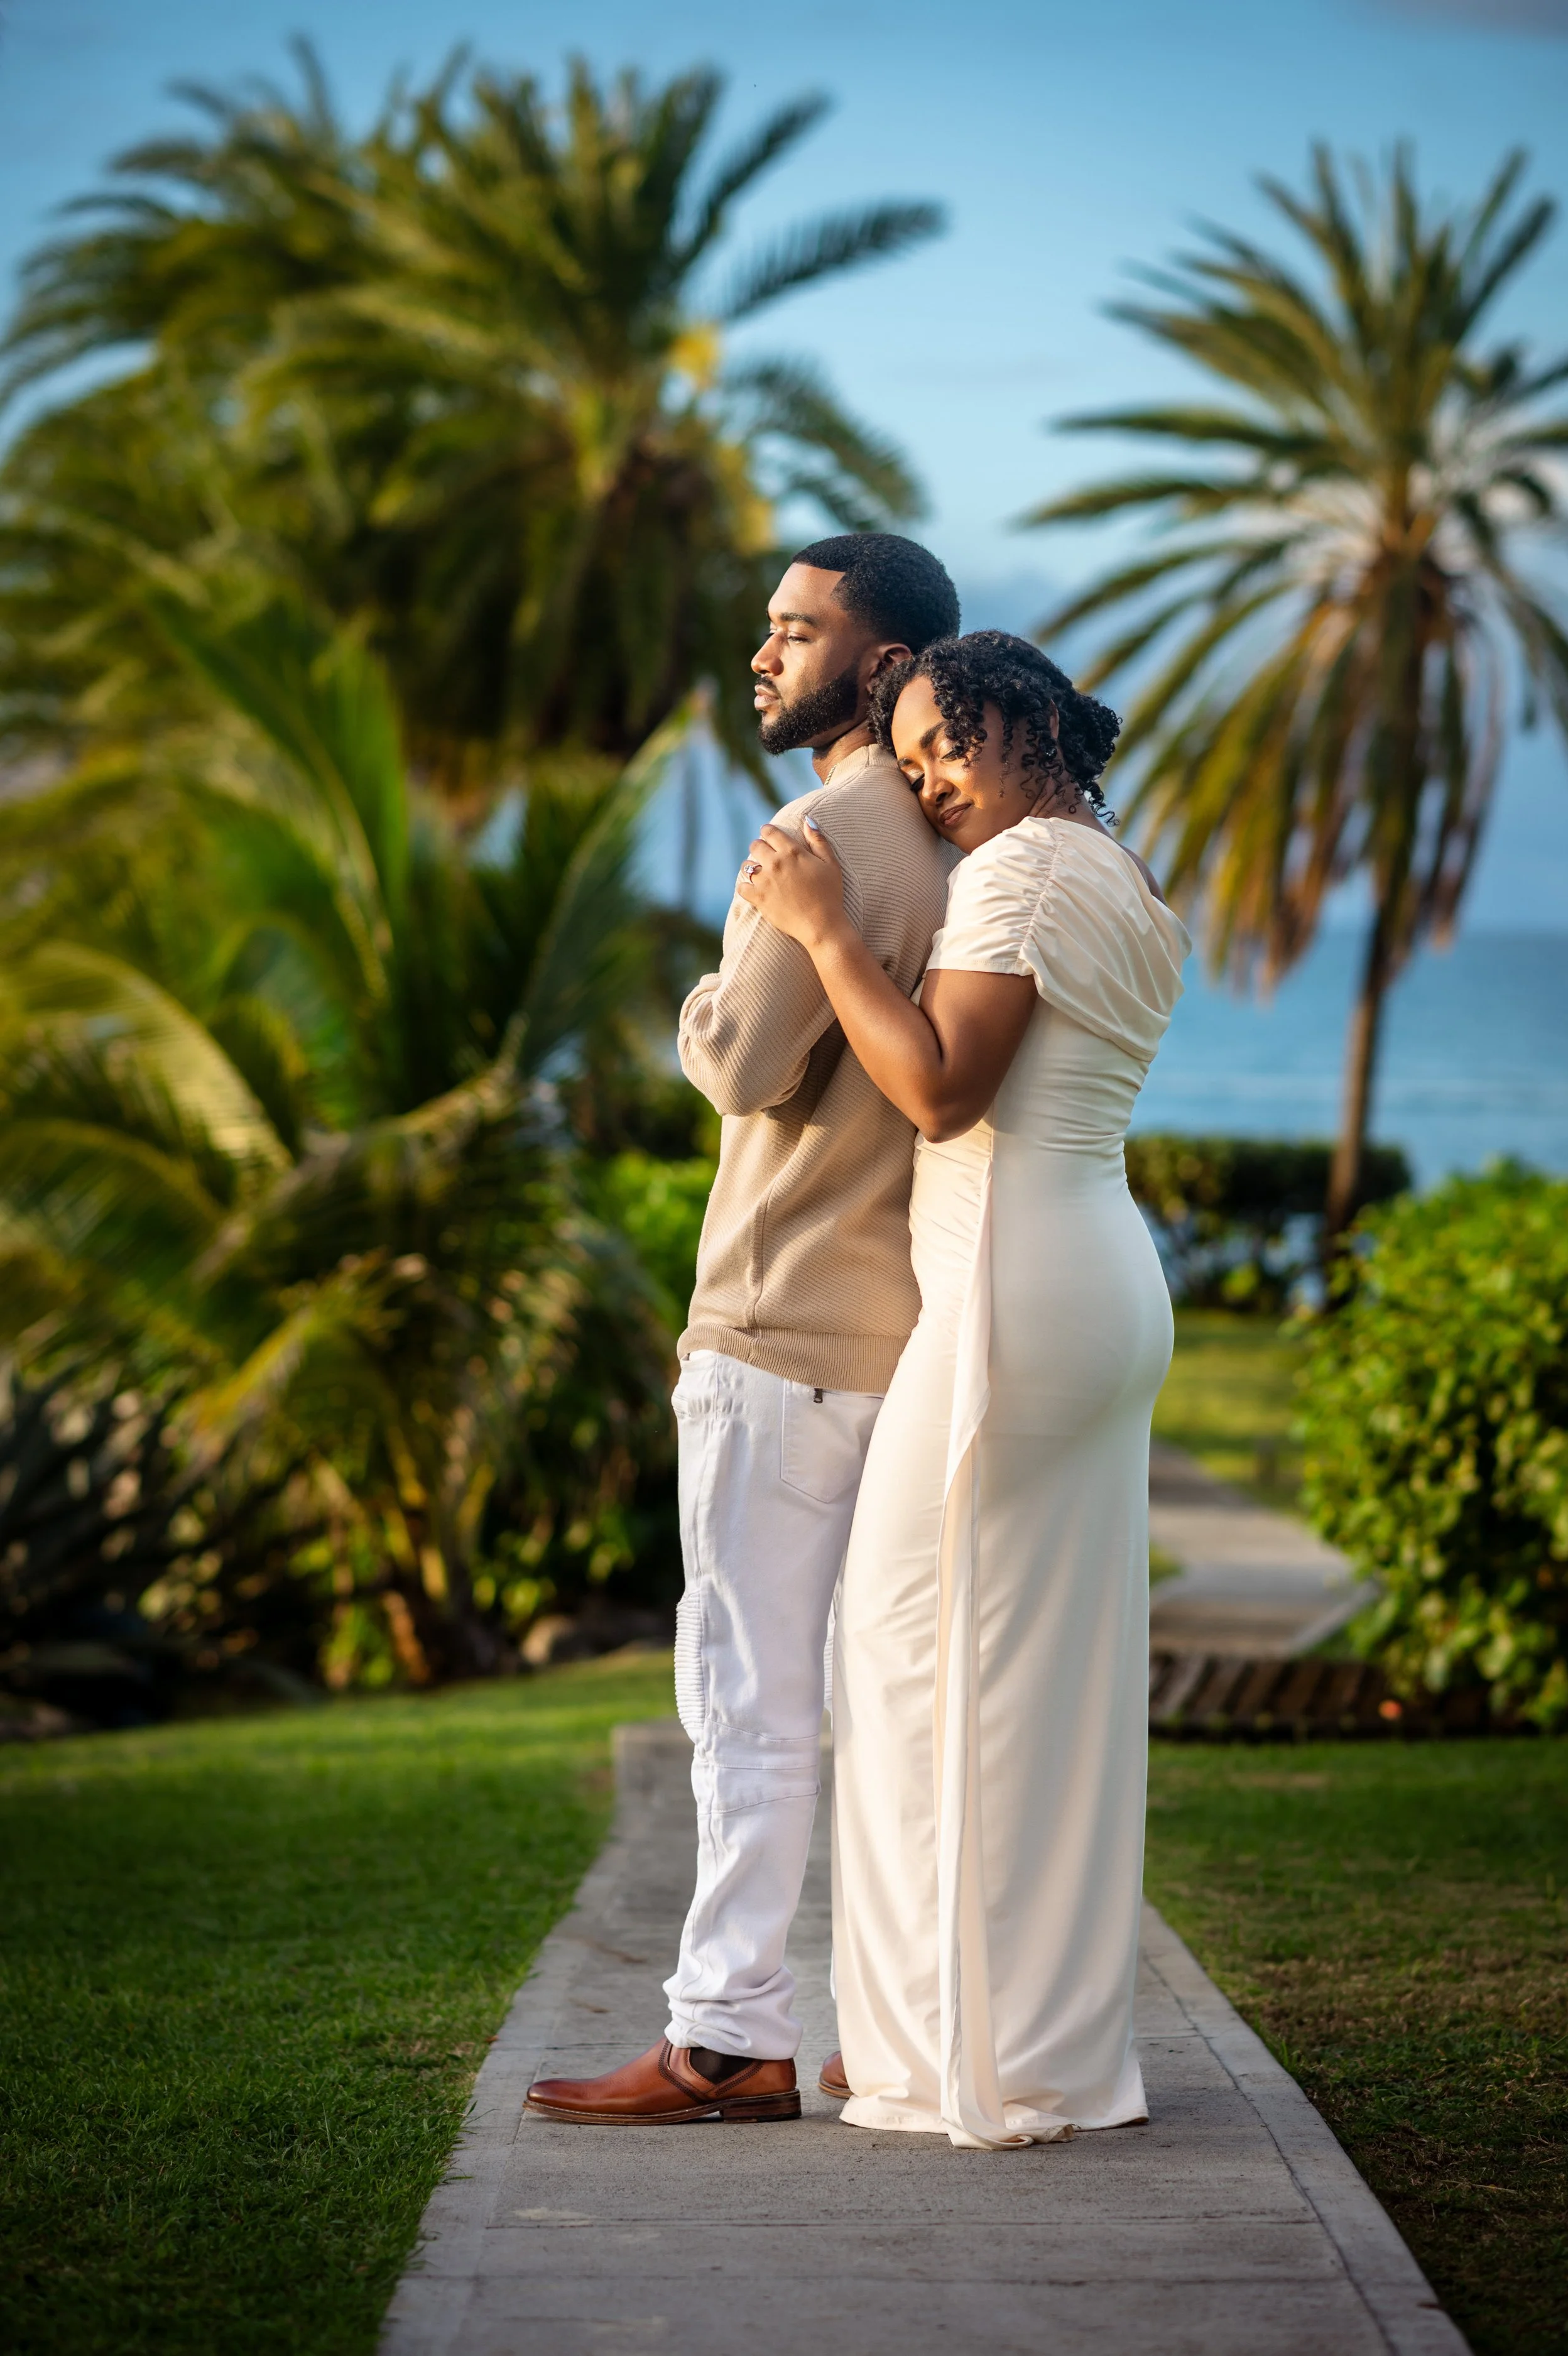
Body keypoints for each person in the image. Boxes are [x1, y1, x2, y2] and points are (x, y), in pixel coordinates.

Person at [734, 630, 1190, 2150]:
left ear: (1028, 723)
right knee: (1044, 1680)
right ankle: (1038, 2049)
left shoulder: (1016, 875)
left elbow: (937, 1086)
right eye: (912, 757)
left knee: (912, 1653)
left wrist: (817, 929)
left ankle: (945, 2055)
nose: (928, 781)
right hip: (1095, 1281)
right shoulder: (1118, 876)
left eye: (946, 744)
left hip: (1012, 1297)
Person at [526, 533, 961, 2127]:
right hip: (891, 1333)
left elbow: (738, 1063)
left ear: (887, 659)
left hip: (775, 1328)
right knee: (862, 1707)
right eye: (765, 628)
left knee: (743, 1702)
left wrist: (700, 999)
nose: (763, 656)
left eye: (798, 630)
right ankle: (878, 2028)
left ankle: (724, 2038)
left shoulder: (822, 832)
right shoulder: (936, 836)